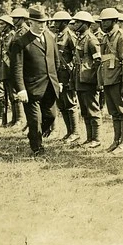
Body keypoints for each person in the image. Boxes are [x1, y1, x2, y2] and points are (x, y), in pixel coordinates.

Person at [10, 6, 60, 155]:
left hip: (50, 86)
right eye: (38, 22)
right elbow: (16, 69)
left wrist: (59, 81)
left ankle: (34, 135)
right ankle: (37, 148)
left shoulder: (50, 38)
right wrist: (21, 89)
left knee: (50, 116)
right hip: (31, 89)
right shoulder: (21, 42)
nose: (42, 25)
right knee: (35, 120)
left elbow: (56, 61)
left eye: (44, 22)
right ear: (30, 22)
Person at [98, 7, 123, 155]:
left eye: (106, 21)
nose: (103, 24)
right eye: (102, 21)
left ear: (115, 21)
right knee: (114, 112)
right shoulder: (106, 37)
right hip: (108, 78)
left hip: (118, 79)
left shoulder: (122, 37)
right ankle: (116, 140)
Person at [71, 11, 102, 148]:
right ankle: (89, 138)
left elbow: (98, 61)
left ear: (85, 24)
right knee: (84, 110)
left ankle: (96, 139)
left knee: (92, 109)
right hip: (80, 78)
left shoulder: (91, 39)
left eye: (78, 22)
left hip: (89, 80)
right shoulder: (80, 38)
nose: (75, 24)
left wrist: (94, 79)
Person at [51, 10, 80, 144]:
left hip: (67, 74)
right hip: (58, 74)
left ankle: (75, 132)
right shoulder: (57, 35)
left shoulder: (70, 36)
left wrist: (72, 72)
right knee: (62, 104)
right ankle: (69, 132)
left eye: (57, 21)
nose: (55, 24)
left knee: (70, 103)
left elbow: (77, 55)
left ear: (65, 22)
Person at [0, 14, 15, 127]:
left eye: (2, 24)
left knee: (14, 95)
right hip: (5, 68)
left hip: (10, 68)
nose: (0, 26)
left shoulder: (12, 35)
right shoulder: (4, 35)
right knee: (8, 94)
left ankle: (17, 119)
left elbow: (8, 50)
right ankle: (12, 119)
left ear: (8, 25)